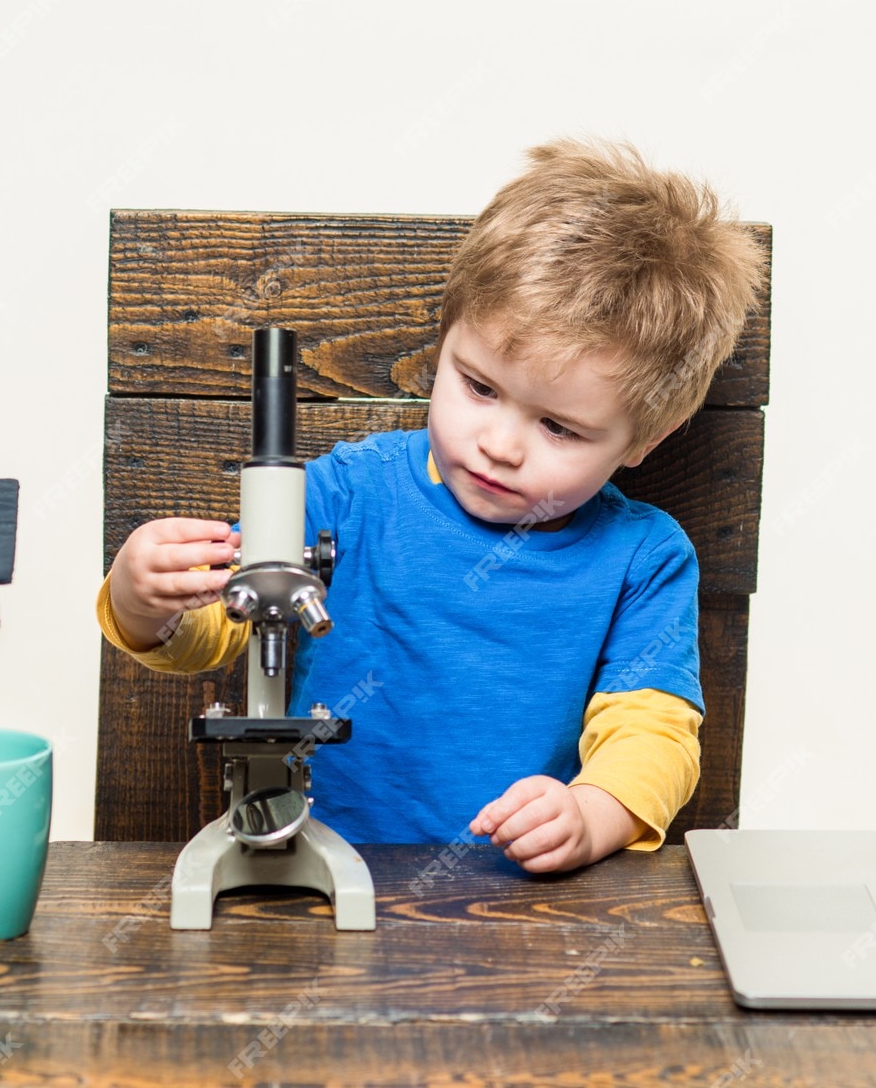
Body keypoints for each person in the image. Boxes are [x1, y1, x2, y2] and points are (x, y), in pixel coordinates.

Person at [96, 137, 768, 872]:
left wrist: (593, 812)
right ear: (442, 340)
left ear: (646, 438)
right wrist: (143, 601)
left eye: (559, 427)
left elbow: (653, 732)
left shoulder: (643, 559)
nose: (500, 445)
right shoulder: (347, 493)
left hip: (518, 908)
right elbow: (222, 627)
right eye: (479, 386)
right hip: (314, 873)